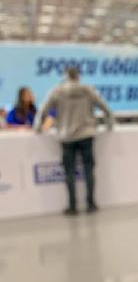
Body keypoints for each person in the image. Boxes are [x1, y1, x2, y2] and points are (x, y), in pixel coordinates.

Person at [34, 67, 113, 216]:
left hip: (66, 136)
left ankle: (72, 206)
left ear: (66, 76)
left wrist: (37, 127)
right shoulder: (88, 90)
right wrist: (110, 125)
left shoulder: (57, 91)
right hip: (86, 134)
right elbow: (105, 108)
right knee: (88, 170)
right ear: (78, 76)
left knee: (69, 172)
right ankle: (91, 204)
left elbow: (43, 110)